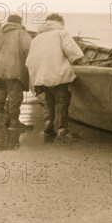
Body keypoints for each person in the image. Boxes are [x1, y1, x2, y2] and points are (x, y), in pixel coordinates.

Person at [26, 13, 88, 142]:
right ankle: (62, 129)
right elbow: (74, 53)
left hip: (41, 77)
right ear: (60, 23)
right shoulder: (61, 34)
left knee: (49, 100)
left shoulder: (37, 38)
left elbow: (29, 61)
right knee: (62, 101)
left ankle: (48, 123)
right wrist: (83, 63)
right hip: (57, 75)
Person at [0, 14, 33, 129]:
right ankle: (14, 121)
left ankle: (3, 120)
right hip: (14, 69)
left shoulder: (0, 33)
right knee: (15, 94)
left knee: (2, 92)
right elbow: (28, 49)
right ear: (20, 22)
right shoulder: (21, 33)